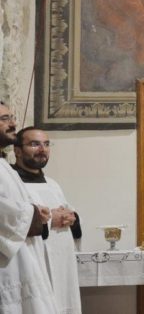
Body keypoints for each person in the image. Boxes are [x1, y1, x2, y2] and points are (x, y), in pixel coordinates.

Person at [13, 127, 82, 314]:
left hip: (62, 267)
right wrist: (49, 220)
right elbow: (11, 222)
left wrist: (72, 219)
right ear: (17, 150)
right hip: (33, 265)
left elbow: (69, 216)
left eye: (46, 144)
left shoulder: (52, 184)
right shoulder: (11, 184)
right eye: (35, 144)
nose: (42, 149)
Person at [0, 103, 58, 313]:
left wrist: (33, 209)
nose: (12, 123)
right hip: (7, 265)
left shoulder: (4, 165)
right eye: (4, 119)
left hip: (23, 259)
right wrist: (32, 213)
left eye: (12, 117)